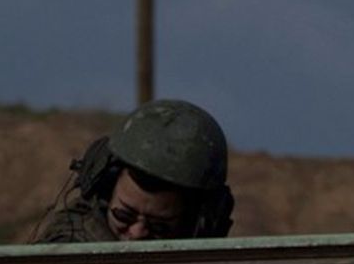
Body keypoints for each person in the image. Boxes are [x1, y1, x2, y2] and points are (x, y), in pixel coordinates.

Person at [33, 98, 233, 243]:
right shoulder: (70, 253)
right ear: (105, 191)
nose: (137, 233)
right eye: (124, 216)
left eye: (159, 227)